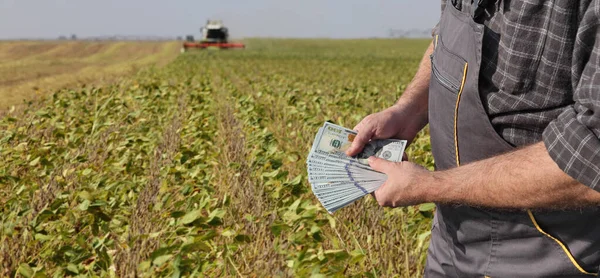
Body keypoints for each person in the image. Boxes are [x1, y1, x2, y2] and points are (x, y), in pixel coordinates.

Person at [346, 1, 600, 277]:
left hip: (547, 257)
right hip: (450, 243)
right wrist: (408, 111)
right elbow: (448, 39)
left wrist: (431, 186)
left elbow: (590, 161)